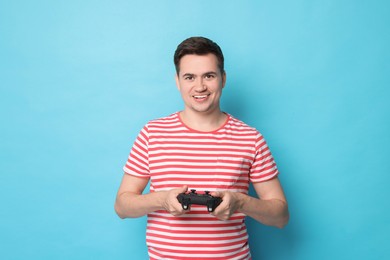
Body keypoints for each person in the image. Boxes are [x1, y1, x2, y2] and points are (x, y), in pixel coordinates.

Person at [115, 36, 289, 260]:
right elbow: (122, 206)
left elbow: (281, 216)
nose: (200, 87)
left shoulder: (250, 138)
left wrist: (240, 202)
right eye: (190, 77)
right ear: (178, 81)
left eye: (209, 76)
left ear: (223, 79)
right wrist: (162, 200)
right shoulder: (152, 133)